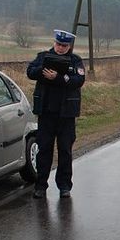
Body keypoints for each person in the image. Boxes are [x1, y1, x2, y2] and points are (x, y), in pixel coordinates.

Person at [27, 29, 85, 199]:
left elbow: (79, 80)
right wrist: (44, 72)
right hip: (46, 113)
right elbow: (30, 72)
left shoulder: (75, 61)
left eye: (64, 45)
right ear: (54, 43)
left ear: (69, 46)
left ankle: (65, 186)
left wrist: (59, 78)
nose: (60, 48)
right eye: (59, 44)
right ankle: (40, 185)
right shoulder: (43, 57)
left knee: (65, 151)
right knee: (44, 150)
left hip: (66, 115)